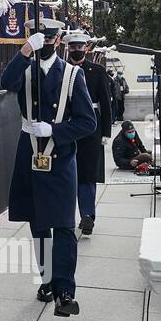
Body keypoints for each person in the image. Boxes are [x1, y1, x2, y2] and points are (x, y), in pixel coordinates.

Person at [0, 18, 96, 316]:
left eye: (48, 40)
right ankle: (48, 280)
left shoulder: (72, 74)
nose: (45, 44)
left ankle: (65, 291)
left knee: (64, 226)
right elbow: (5, 83)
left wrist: (54, 129)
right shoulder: (25, 70)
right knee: (39, 224)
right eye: (38, 39)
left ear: (57, 41)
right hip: (29, 155)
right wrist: (24, 51)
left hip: (60, 158)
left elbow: (87, 122)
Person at [64, 31, 113, 236]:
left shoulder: (97, 70)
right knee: (67, 174)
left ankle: (87, 216)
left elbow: (105, 101)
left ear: (86, 48)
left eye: (80, 47)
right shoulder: (62, 69)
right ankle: (66, 217)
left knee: (87, 175)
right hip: (66, 125)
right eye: (73, 47)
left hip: (91, 127)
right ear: (68, 48)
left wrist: (106, 131)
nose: (77, 50)